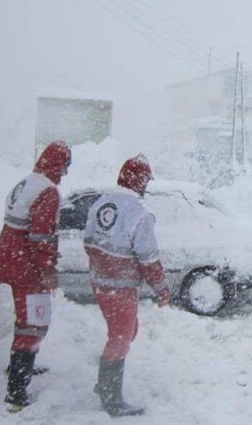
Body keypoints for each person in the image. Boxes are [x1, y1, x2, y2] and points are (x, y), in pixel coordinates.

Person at [83, 154, 170, 417]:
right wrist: (161, 288)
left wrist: (102, 266)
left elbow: (88, 241)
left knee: (127, 331)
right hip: (120, 286)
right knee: (121, 336)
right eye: (145, 181)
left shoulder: (102, 202)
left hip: (100, 282)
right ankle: (111, 398)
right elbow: (149, 257)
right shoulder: (140, 213)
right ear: (140, 181)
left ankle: (105, 383)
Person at [0, 140, 71, 411]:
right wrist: (47, 270)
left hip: (11, 260)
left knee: (25, 319)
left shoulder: (27, 182)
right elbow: (41, 237)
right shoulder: (48, 192)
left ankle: (20, 366)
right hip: (28, 267)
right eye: (65, 166)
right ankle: (16, 392)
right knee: (34, 322)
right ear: (57, 164)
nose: (66, 173)